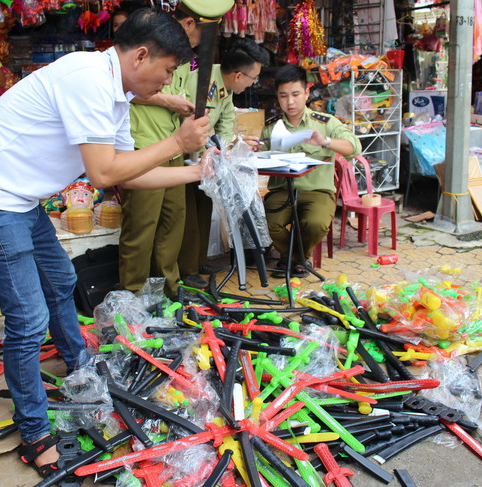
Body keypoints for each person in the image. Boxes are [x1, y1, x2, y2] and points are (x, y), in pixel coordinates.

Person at [0, 9, 210, 478]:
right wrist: (177, 142)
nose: (169, 83)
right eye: (168, 70)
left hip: (18, 200)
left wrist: (196, 172)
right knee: (27, 320)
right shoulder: (87, 79)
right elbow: (103, 173)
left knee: (61, 279)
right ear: (142, 55)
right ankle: (36, 435)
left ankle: (80, 365)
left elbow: (129, 173)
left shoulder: (115, 94)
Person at [119, 0, 234, 297]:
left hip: (173, 147)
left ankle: (168, 290)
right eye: (207, 31)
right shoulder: (149, 51)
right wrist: (168, 101)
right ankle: (132, 295)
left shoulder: (186, 58)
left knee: (173, 224)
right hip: (145, 144)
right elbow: (129, 89)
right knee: (142, 229)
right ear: (189, 24)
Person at [178, 37, 269, 288]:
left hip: (205, 159)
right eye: (254, 78)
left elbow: (226, 123)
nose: (254, 83)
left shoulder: (225, 88)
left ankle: (197, 262)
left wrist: (230, 144)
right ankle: (186, 270)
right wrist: (219, 146)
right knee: (188, 217)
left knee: (203, 210)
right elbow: (196, 125)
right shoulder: (204, 81)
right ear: (239, 75)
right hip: (186, 157)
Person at [261, 64, 361, 277]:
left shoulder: (325, 123)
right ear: (277, 97)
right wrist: (252, 149)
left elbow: (354, 147)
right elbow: (261, 158)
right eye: (283, 96)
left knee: (315, 223)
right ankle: (295, 258)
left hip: (317, 191)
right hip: (282, 191)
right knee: (267, 223)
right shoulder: (271, 127)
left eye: (296, 94)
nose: (290, 102)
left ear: (306, 92)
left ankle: (293, 260)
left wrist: (325, 142)